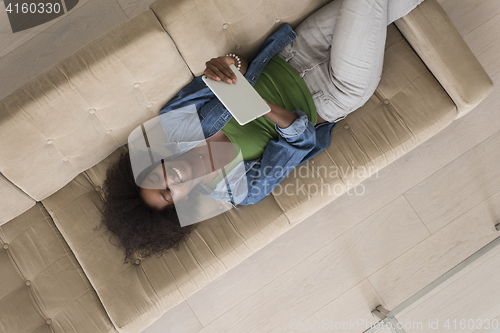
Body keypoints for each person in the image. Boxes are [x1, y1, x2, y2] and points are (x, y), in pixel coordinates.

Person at [100, 0, 425, 261]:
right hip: (333, 94)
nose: (173, 180)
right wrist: (262, 107)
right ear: (180, 206)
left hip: (296, 51)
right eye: (169, 194)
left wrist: (229, 67)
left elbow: (228, 73)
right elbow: (300, 142)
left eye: (158, 178)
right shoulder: (239, 191)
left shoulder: (175, 121)